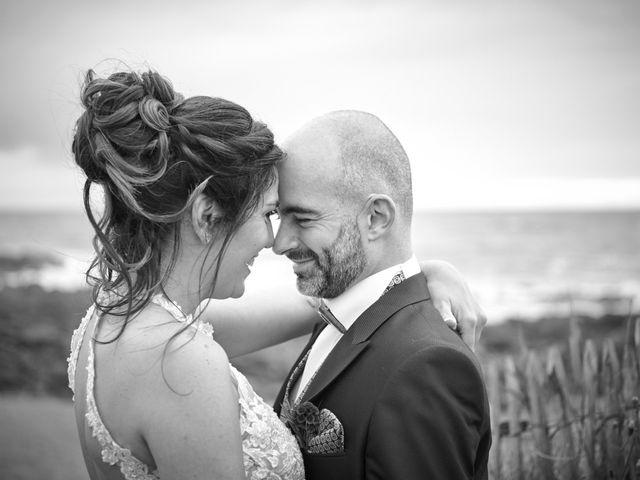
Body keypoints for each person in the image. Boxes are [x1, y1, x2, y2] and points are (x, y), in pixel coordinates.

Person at [67, 68, 485, 480]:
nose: (276, 241)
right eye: (270, 213)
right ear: (207, 216)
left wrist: (422, 272)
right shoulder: (180, 361)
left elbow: (332, 302)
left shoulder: (115, 317)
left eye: (297, 217)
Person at [272, 110, 492, 479]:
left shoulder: (426, 366)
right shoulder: (339, 311)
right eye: (280, 217)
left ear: (376, 218)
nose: (280, 244)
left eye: (304, 220)